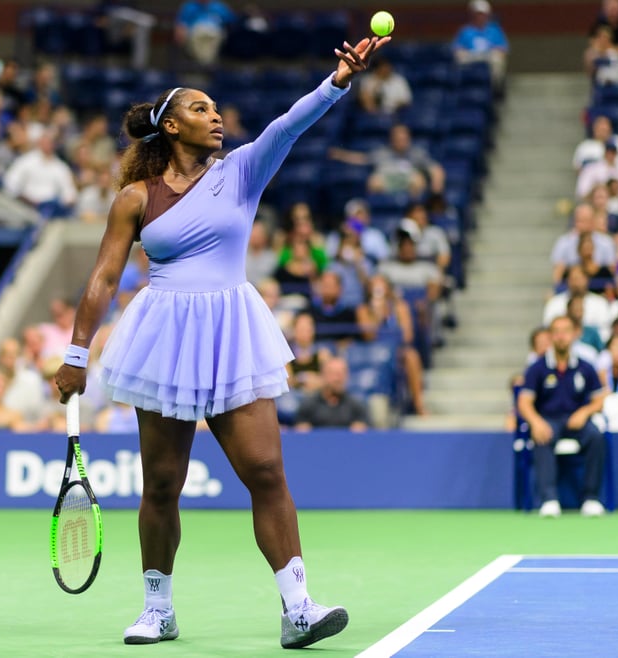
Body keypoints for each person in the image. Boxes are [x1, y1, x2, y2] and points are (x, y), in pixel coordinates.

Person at [54, 35, 389, 648]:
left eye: (216, 110)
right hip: (163, 336)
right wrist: (77, 353)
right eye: (202, 109)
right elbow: (104, 277)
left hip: (232, 332)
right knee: (161, 483)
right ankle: (158, 609)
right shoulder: (135, 198)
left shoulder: (239, 171)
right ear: (172, 125)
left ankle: (298, 608)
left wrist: (337, 79)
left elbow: (287, 127)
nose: (217, 118)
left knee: (265, 470)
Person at [517, 315, 608, 518]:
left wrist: (584, 412)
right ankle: (549, 499)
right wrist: (535, 422)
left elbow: (600, 398)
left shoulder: (585, 366)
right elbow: (524, 401)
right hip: (548, 419)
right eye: (556, 332)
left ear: (574, 334)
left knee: (596, 436)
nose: (561, 336)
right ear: (550, 336)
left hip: (577, 419)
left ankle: (591, 498)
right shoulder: (537, 368)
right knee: (541, 435)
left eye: (565, 331)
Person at [293, 357, 368, 432]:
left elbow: (362, 434)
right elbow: (302, 435)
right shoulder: (308, 405)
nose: (338, 379)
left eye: (342, 374)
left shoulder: (357, 405)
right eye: (334, 374)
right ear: (323, 375)